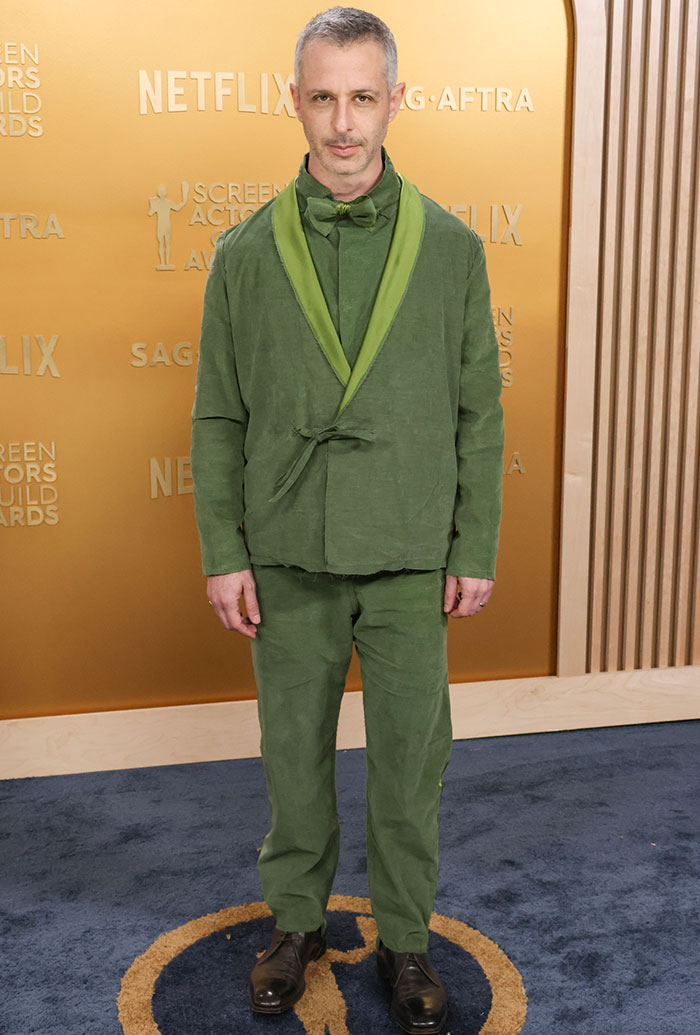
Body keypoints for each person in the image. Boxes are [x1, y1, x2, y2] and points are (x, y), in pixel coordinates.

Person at [190, 7, 504, 1033]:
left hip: (412, 551)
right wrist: (224, 554)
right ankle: (295, 924)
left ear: (393, 102)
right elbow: (218, 416)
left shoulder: (453, 249)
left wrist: (473, 544)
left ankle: (406, 938)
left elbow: (477, 412)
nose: (342, 124)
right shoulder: (241, 255)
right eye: (322, 97)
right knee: (293, 759)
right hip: (287, 551)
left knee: (412, 761)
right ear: (295, 103)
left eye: (362, 97)